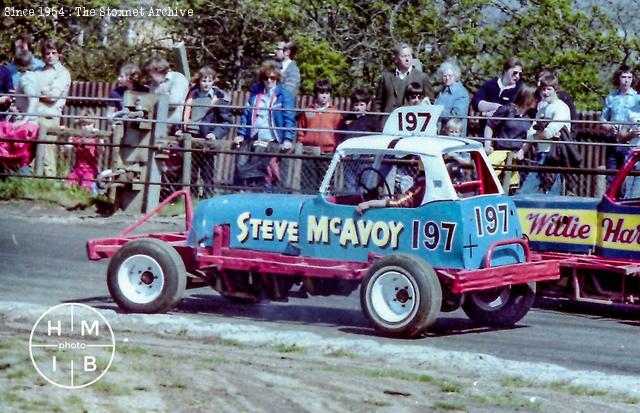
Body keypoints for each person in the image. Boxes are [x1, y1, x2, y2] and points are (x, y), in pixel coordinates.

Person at [235, 61, 296, 187]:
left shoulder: (284, 95)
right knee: (244, 163)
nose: (269, 81)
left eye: (272, 78)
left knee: (268, 168)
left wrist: (287, 139)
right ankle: (246, 189)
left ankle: (269, 190)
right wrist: (241, 134)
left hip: (274, 138)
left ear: (277, 78)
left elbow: (289, 118)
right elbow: (247, 114)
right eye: (266, 78)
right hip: (256, 136)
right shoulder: (256, 93)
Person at [180, 66, 232, 198]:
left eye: (209, 81)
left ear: (214, 81)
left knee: (207, 169)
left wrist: (215, 133)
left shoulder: (219, 98)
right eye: (204, 80)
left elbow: (226, 122)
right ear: (199, 81)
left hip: (207, 137)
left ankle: (208, 196)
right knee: (190, 169)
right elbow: (182, 114)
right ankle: (189, 196)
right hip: (190, 136)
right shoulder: (191, 95)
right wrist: (180, 129)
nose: (206, 84)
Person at [520, 74, 575, 194]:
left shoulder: (561, 108)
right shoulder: (542, 108)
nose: (545, 92)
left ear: (556, 89)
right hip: (541, 154)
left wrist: (539, 133)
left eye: (549, 89)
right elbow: (532, 131)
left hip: (555, 156)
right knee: (525, 192)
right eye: (543, 89)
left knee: (552, 195)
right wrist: (522, 150)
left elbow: (548, 133)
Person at [483, 84, 538, 191]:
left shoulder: (531, 116)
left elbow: (531, 137)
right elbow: (490, 125)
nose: (537, 100)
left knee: (511, 187)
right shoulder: (507, 110)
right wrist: (487, 144)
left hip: (515, 157)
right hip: (499, 153)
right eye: (535, 97)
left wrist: (522, 151)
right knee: (490, 182)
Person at [35, 38, 72, 177]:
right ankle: (31, 187)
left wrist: (35, 92)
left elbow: (52, 96)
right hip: (33, 116)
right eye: (47, 53)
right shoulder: (37, 71)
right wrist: (41, 91)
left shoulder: (62, 73)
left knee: (47, 155)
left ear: (59, 54)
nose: (50, 56)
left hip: (49, 117)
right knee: (32, 155)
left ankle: (50, 187)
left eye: (53, 53)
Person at [376, 43, 433, 128]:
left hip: (412, 124)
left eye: (409, 56)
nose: (407, 59)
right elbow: (378, 102)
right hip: (388, 123)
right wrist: (377, 121)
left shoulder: (422, 77)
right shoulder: (386, 77)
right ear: (396, 59)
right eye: (403, 56)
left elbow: (429, 102)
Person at [600, 64, 640, 184]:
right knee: (611, 175)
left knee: (626, 177)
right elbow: (602, 119)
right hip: (613, 140)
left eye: (629, 77)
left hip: (629, 142)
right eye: (623, 77)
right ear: (618, 78)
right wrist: (609, 127)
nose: (626, 80)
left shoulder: (637, 98)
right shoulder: (611, 97)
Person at [356, 156, 426, 213]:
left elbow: (400, 203)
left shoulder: (423, 185)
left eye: (416, 159)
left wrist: (369, 203)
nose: (412, 161)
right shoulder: (422, 182)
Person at [143, 57, 190, 130]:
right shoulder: (153, 84)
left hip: (174, 127)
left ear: (158, 70)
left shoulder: (177, 78)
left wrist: (154, 100)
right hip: (156, 124)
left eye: (150, 75)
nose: (149, 78)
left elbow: (173, 102)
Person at [471, 56, 523, 121]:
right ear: (505, 70)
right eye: (514, 73)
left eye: (520, 74)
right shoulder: (490, 84)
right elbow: (476, 102)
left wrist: (488, 112)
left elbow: (514, 112)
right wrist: (496, 107)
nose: (517, 76)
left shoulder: (520, 90)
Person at [297, 79, 342, 153]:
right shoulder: (307, 110)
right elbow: (301, 131)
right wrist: (300, 143)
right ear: (316, 93)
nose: (324, 96)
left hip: (328, 151)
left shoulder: (335, 112)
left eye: (327, 93)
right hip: (308, 151)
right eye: (321, 93)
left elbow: (338, 133)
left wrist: (336, 147)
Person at [64, 109, 100, 193]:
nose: (86, 127)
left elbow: (102, 149)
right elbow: (66, 148)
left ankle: (83, 200)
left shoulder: (95, 139)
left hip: (90, 171)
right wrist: (68, 141)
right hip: (77, 170)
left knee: (85, 187)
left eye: (89, 124)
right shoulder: (77, 138)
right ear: (80, 125)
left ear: (93, 124)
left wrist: (100, 138)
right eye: (84, 124)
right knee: (67, 184)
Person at [434, 61, 470, 135]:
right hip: (441, 133)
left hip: (454, 134)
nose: (447, 78)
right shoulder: (442, 91)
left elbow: (457, 115)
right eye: (444, 76)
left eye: (450, 76)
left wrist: (437, 112)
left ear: (455, 76)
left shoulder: (461, 93)